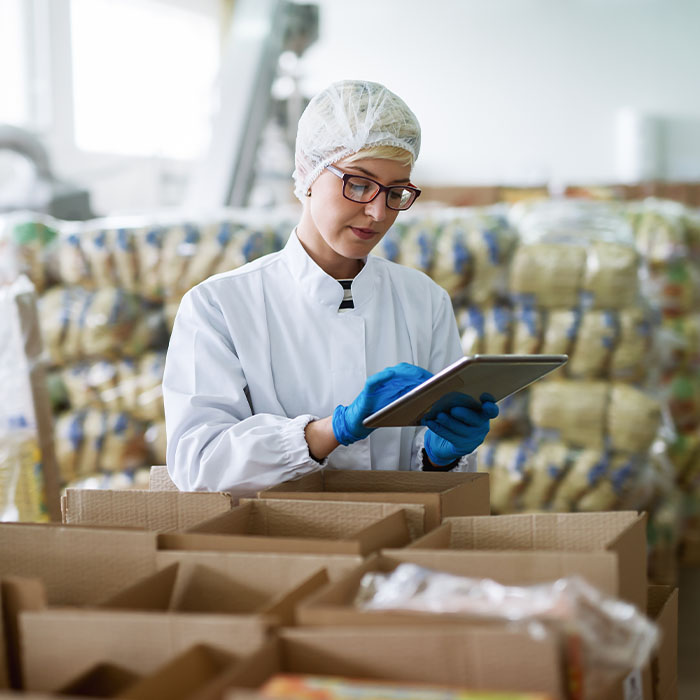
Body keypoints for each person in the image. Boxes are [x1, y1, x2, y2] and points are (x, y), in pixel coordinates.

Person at [163, 79, 498, 497]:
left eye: (396, 191)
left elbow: (433, 480)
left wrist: (441, 456)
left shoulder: (424, 301)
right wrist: (329, 431)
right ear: (307, 172)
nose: (377, 211)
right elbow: (197, 463)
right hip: (274, 549)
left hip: (399, 543)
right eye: (358, 183)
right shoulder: (220, 306)